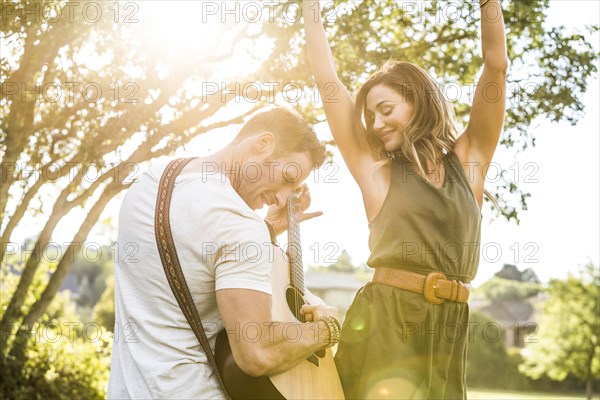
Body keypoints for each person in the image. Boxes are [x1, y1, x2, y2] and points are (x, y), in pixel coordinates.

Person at [304, 0, 508, 398]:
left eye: (385, 110)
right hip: (387, 322)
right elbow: (327, 79)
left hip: (450, 326)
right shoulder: (375, 172)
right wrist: (311, 10)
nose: (377, 125)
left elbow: (496, 65)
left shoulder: (470, 162)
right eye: (371, 118)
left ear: (416, 100)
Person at [107, 107, 340, 399]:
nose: (283, 197)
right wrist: (327, 328)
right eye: (289, 178)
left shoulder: (151, 182)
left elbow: (193, 257)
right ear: (262, 144)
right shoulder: (239, 226)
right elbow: (258, 352)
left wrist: (266, 230)